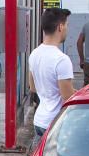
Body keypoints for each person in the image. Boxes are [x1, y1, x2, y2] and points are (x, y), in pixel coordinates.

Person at [29, 8, 74, 143]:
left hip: (39, 121)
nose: (67, 29)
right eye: (66, 25)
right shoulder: (61, 59)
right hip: (56, 123)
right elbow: (67, 97)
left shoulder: (34, 54)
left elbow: (33, 87)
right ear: (60, 26)